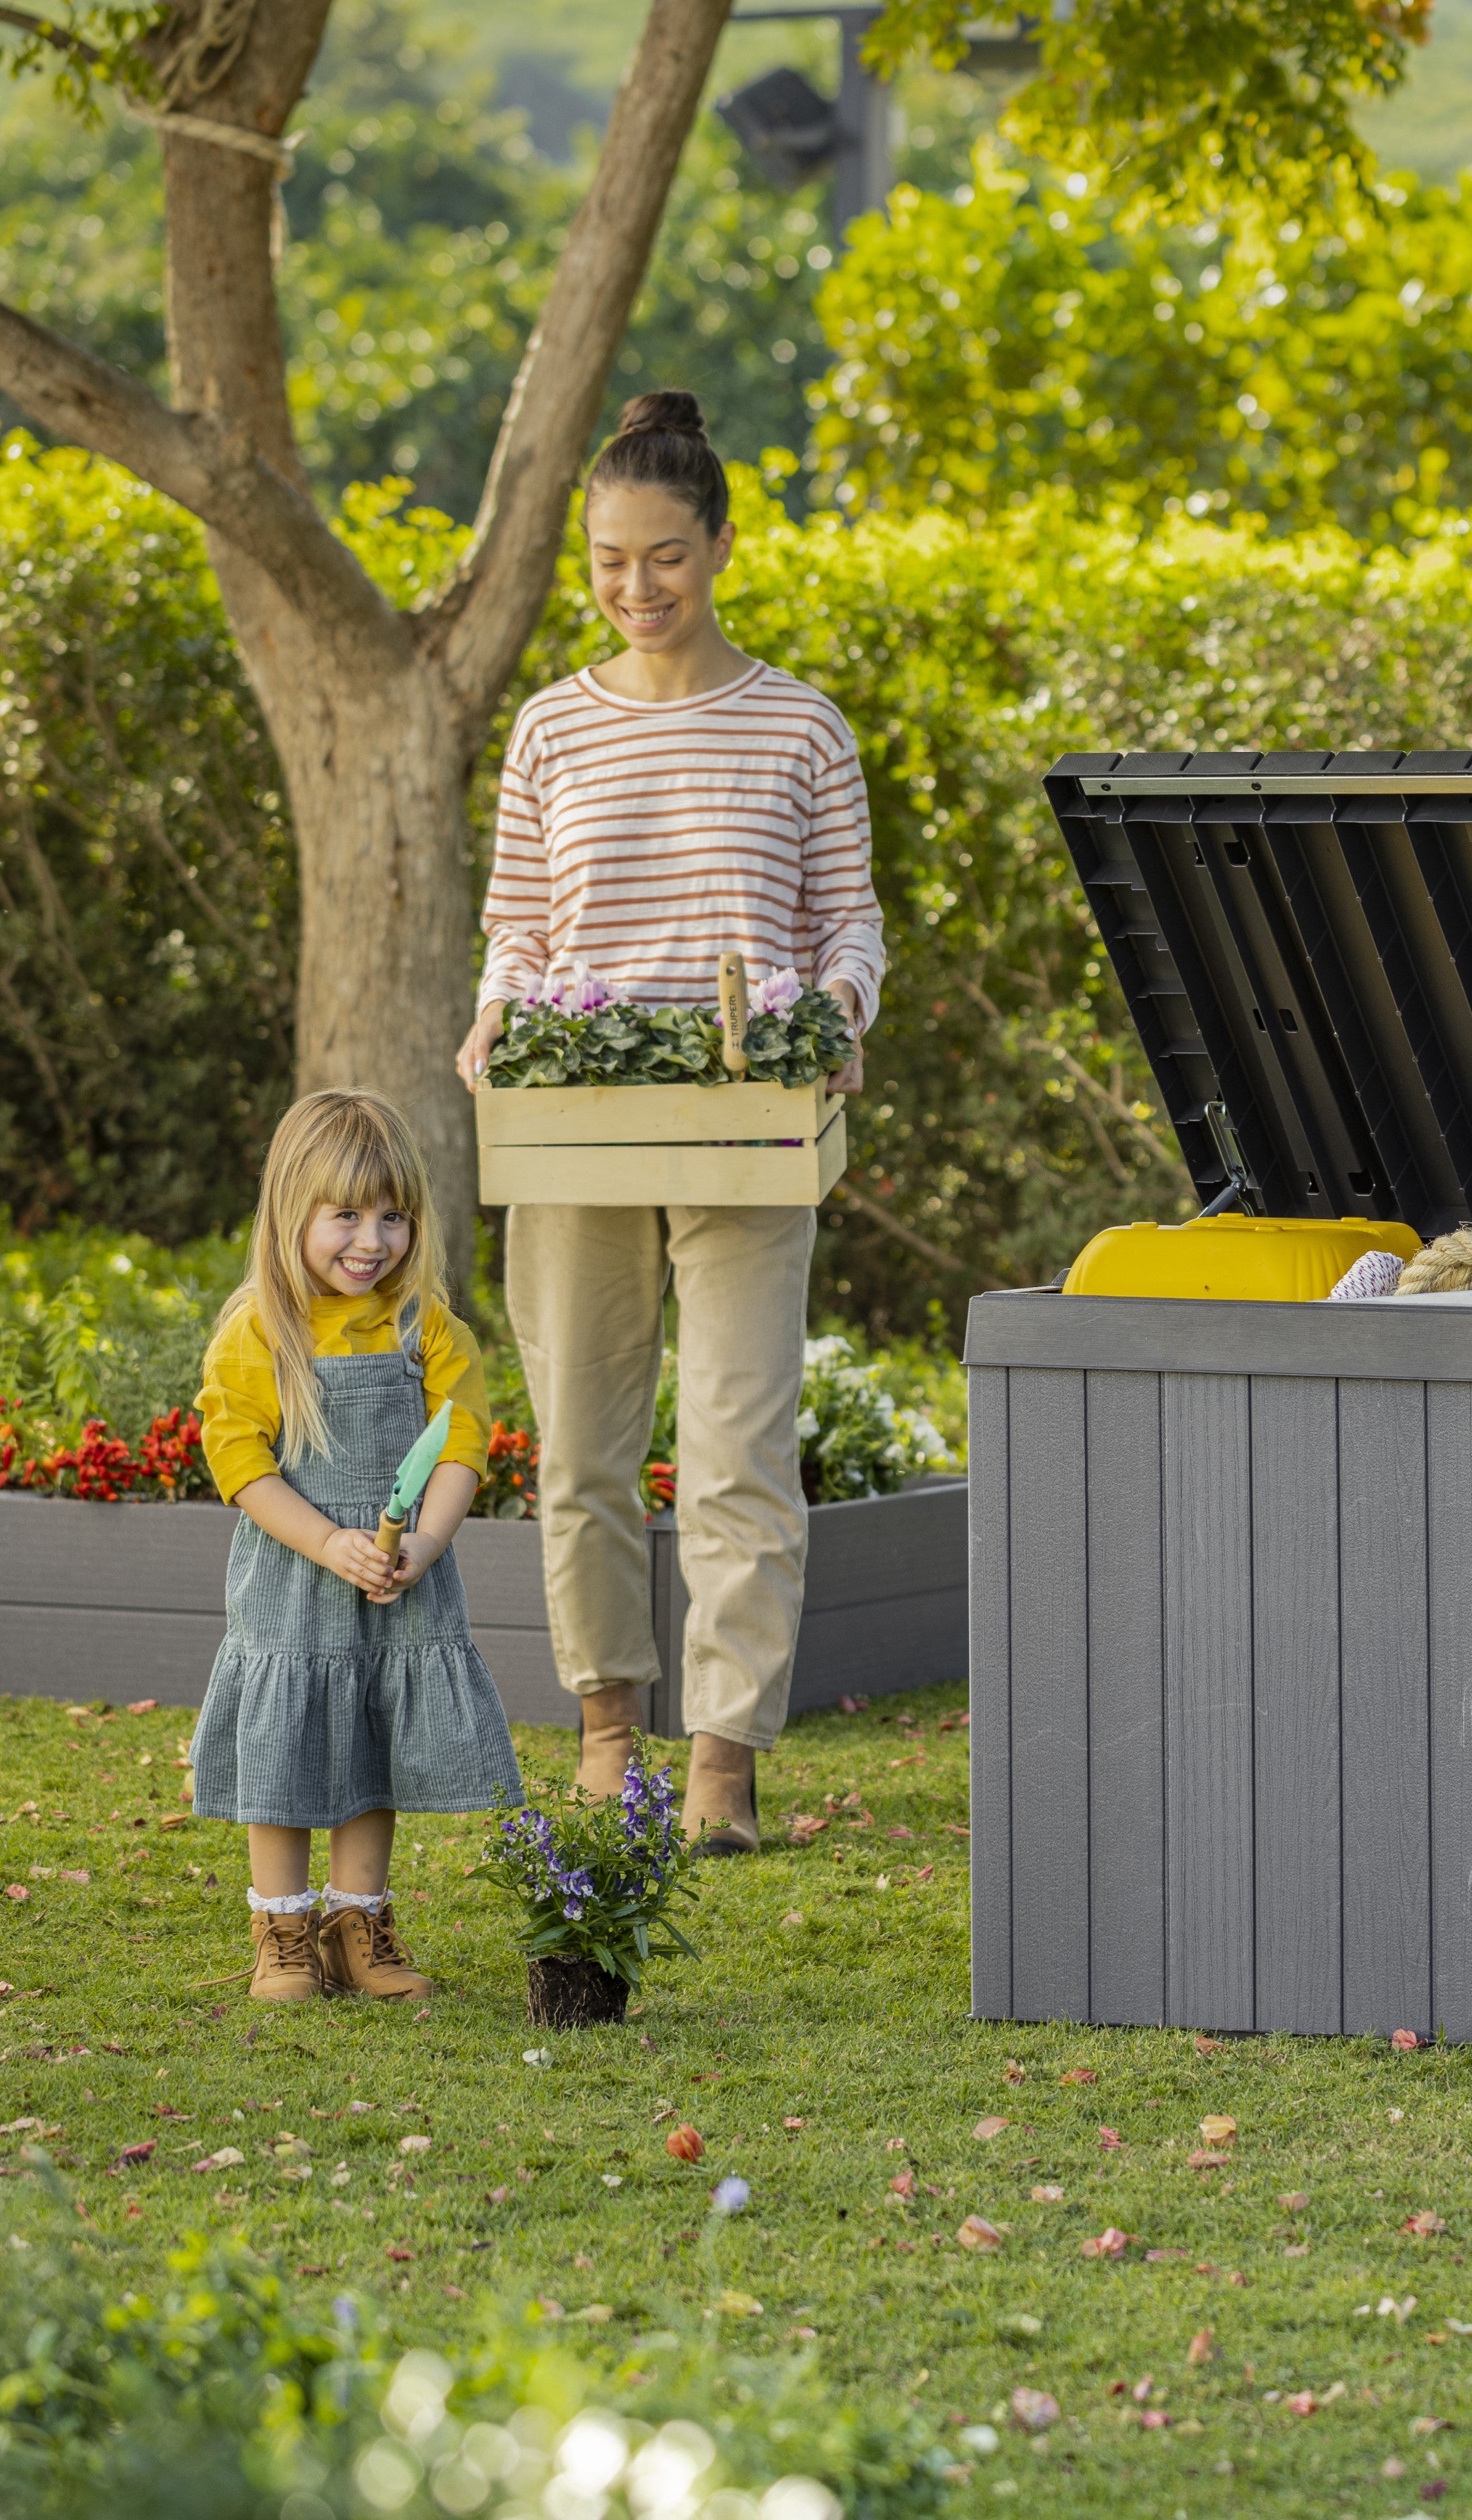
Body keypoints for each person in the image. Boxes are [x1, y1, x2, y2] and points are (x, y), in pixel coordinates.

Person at [457, 388, 885, 1854]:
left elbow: (848, 925)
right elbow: (517, 926)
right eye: (609, 564)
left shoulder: (801, 727)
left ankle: (721, 1754)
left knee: (737, 1446)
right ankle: (604, 1725)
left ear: (720, 546)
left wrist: (836, 1014)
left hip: (747, 1120)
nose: (637, 591)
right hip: (574, 1123)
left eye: (666, 559)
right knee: (580, 1441)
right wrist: (496, 1008)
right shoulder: (550, 730)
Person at [190, 1088, 519, 2004]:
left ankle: (356, 1921)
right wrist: (328, 1538)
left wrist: (424, 1539)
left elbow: (461, 1443)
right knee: (288, 1746)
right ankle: (283, 1928)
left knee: (371, 1739)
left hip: (394, 1586)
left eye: (393, 1216)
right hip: (296, 1585)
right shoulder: (260, 1329)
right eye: (345, 1216)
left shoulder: (428, 1328)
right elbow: (241, 1460)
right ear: (292, 1214)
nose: (370, 1241)